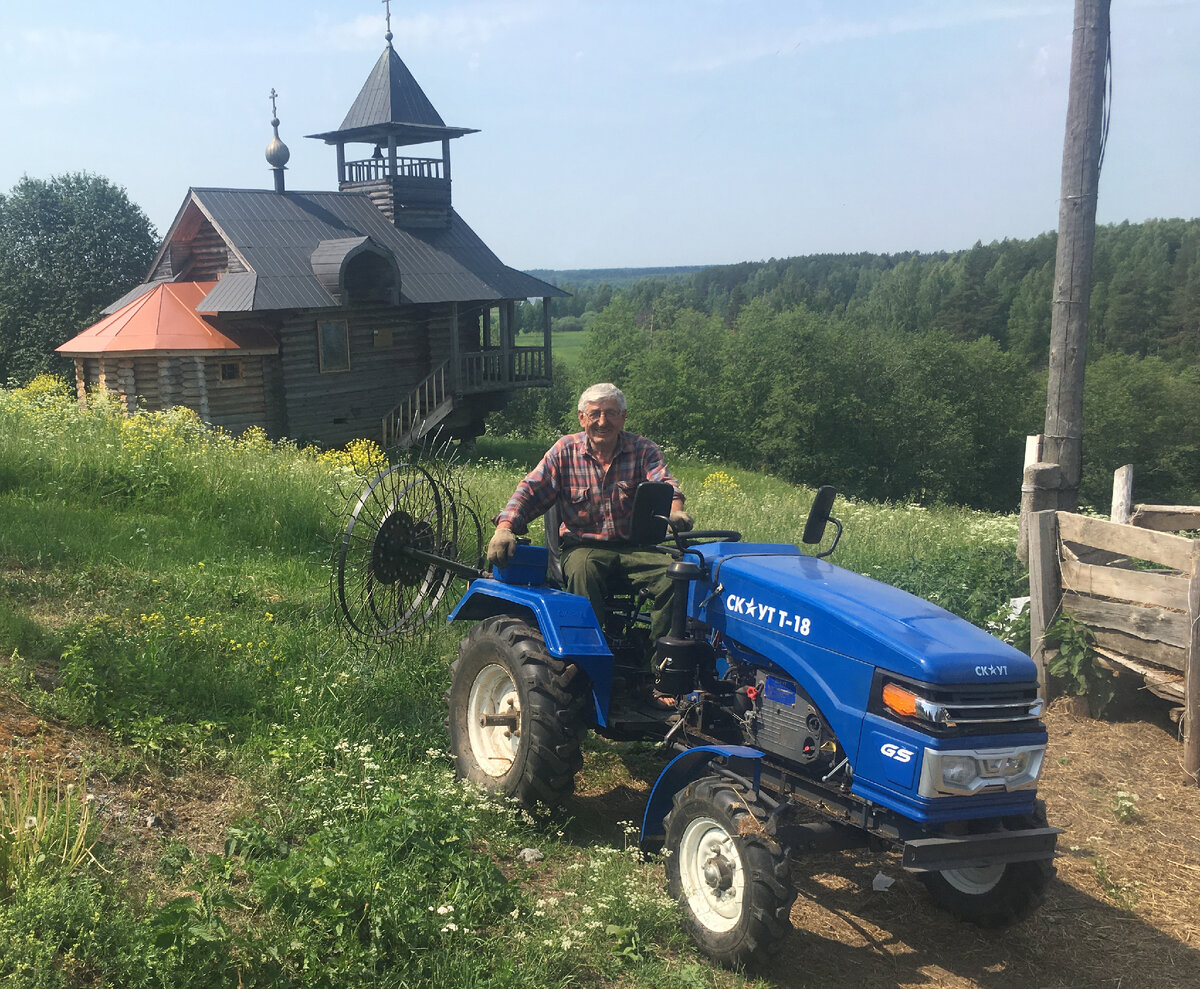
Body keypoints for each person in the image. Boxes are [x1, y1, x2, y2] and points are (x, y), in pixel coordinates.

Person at [487, 383, 692, 653]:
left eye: (610, 413)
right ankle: (588, 659)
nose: (602, 421)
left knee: (675, 578)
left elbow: (665, 484)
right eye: (595, 414)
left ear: (623, 417)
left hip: (636, 548)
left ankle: (662, 669)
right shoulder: (564, 451)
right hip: (583, 547)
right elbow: (531, 489)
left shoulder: (643, 450)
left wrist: (675, 511)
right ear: (582, 417)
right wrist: (505, 528)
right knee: (584, 573)